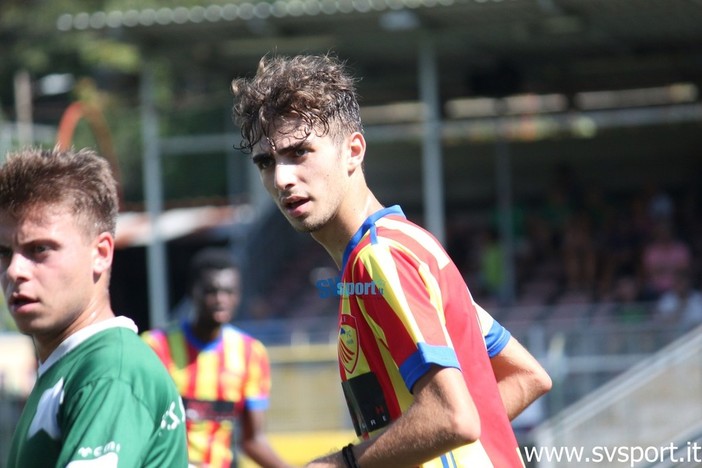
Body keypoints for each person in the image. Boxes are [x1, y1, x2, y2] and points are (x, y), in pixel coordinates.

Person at [230, 53, 551, 467]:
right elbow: (525, 375)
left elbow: (453, 418)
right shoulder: (408, 247)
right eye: (266, 162)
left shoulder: (380, 260)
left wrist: (338, 465)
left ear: (354, 150)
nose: (282, 178)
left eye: (300, 152)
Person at [0, 146, 188, 467]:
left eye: (40, 249)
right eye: (5, 252)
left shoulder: (110, 372)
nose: (15, 269)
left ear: (101, 253)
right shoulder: (69, 366)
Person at [142, 247, 290, 468]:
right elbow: (141, 427)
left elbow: (252, 440)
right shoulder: (155, 347)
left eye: (229, 292)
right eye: (211, 291)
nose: (221, 299)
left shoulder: (251, 353)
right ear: (193, 292)